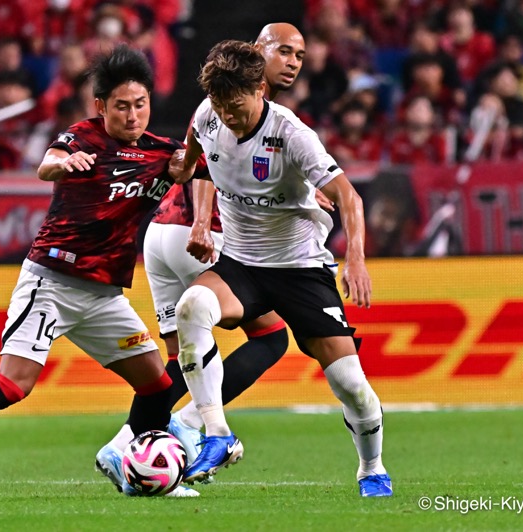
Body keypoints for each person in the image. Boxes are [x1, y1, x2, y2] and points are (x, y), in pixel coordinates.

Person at [0, 45, 202, 501]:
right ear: (100, 106)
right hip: (51, 282)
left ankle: (131, 462)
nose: (133, 115)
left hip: (102, 296)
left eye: (140, 104)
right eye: (121, 106)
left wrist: (189, 166)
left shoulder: (163, 153)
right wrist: (62, 165)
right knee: (13, 384)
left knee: (158, 384)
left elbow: (202, 170)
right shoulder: (83, 138)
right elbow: (47, 163)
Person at [94, 22, 313, 488]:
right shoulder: (238, 108)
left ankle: (123, 446)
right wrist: (200, 224)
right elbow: (206, 166)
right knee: (271, 337)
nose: (293, 62)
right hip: (198, 234)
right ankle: (193, 426)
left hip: (159, 237)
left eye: (300, 55)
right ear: (258, 54)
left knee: (177, 362)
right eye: (285, 52)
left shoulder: (228, 103)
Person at [168, 40, 392, 497]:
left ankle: (372, 467)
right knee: (191, 307)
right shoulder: (207, 114)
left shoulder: (291, 134)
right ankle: (216, 433)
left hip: (300, 269)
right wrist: (183, 176)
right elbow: (193, 159)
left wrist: (355, 259)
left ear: (259, 91)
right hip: (242, 264)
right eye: (220, 105)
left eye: (236, 106)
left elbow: (349, 196)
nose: (228, 115)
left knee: (352, 386)